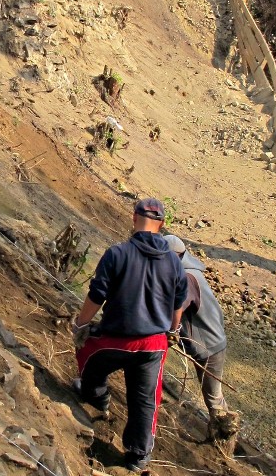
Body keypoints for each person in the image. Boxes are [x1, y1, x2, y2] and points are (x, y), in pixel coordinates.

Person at [72, 199, 188, 474]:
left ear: (134, 218)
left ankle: (97, 396)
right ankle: (138, 456)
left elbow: (97, 295)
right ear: (161, 225)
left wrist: (80, 324)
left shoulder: (117, 253)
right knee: (146, 399)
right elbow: (178, 304)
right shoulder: (174, 261)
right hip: (153, 346)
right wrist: (173, 331)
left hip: (114, 339)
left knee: (87, 356)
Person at [164, 235, 229, 424]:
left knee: (213, 398)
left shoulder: (187, 278)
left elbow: (175, 309)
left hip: (210, 347)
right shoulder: (188, 272)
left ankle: (222, 435)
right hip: (210, 342)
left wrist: (171, 331)